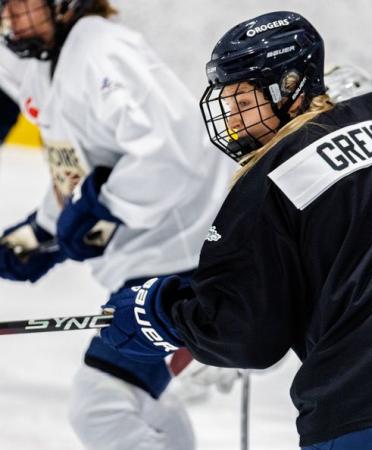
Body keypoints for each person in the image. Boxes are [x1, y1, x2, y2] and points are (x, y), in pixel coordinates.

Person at [99, 10, 372, 450]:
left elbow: (244, 336)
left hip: (360, 408)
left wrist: (163, 314)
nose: (233, 121)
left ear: (290, 87)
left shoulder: (269, 181)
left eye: (243, 102)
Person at [0, 1, 235, 448]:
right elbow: (78, 167)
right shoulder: (47, 59)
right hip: (152, 259)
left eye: (20, 6)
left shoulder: (103, 53)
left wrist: (101, 215)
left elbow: (169, 155)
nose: (9, 19)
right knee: (138, 401)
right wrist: (42, 232)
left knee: (102, 406)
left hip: (183, 261)